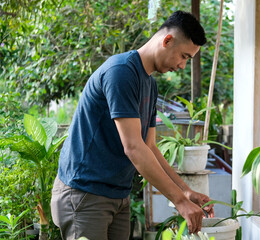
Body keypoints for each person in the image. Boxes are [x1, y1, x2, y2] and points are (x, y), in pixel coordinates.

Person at [51, 10, 214, 240]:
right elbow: (134, 148)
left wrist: (185, 192)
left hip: (117, 196)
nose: (182, 66)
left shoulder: (149, 84)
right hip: (85, 194)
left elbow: (150, 147)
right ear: (167, 41)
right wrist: (179, 202)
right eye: (184, 56)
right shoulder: (121, 72)